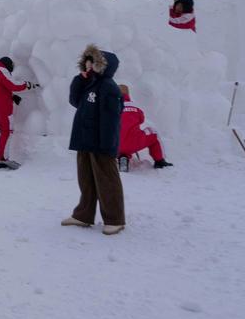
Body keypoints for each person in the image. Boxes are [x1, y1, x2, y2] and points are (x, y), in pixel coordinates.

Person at [62, 45, 126, 235]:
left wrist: (107, 145)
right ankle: (83, 215)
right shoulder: (88, 83)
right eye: (87, 61)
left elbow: (111, 120)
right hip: (84, 140)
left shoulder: (108, 87)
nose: (88, 65)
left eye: (92, 62)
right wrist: (79, 80)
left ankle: (115, 219)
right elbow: (74, 101)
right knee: (86, 181)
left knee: (107, 182)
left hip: (101, 143)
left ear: (101, 65)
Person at [0, 57, 29, 169]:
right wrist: (27, 85)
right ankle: (2, 159)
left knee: (4, 131)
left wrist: (11, 96)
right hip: (4, 107)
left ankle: (1, 157)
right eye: (12, 65)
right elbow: (13, 85)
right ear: (7, 64)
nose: (12, 68)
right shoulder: (2, 70)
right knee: (7, 132)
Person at [118, 85, 173, 171]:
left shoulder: (109, 107)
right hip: (134, 142)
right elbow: (141, 120)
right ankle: (159, 161)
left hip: (113, 144)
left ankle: (123, 157)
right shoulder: (135, 107)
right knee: (153, 133)